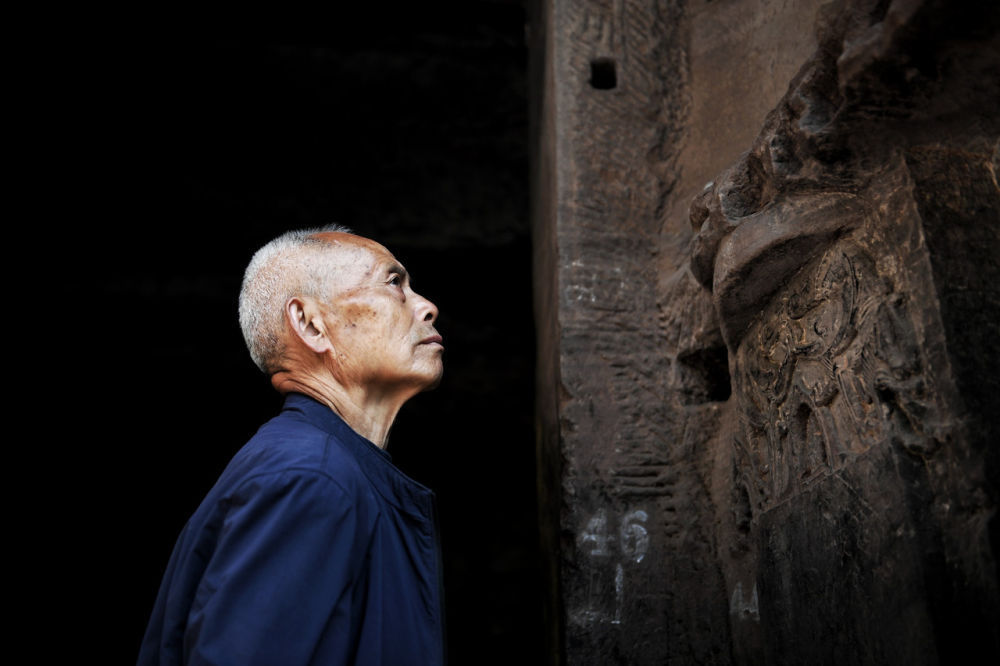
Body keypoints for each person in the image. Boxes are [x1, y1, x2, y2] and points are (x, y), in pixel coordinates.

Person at [138, 225, 447, 665]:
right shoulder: (308, 479)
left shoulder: (321, 469)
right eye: (394, 282)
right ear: (310, 324)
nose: (427, 307)